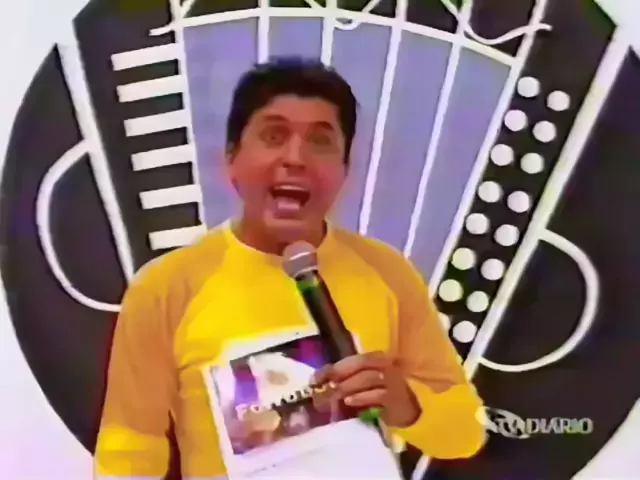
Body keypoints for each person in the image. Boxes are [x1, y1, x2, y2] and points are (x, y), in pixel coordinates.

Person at [94, 57, 486, 479]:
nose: (295, 157)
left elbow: (464, 433)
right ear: (231, 159)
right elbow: (130, 448)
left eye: (320, 141)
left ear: (344, 171)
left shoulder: (388, 273)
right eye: (273, 135)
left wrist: (407, 406)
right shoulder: (166, 287)